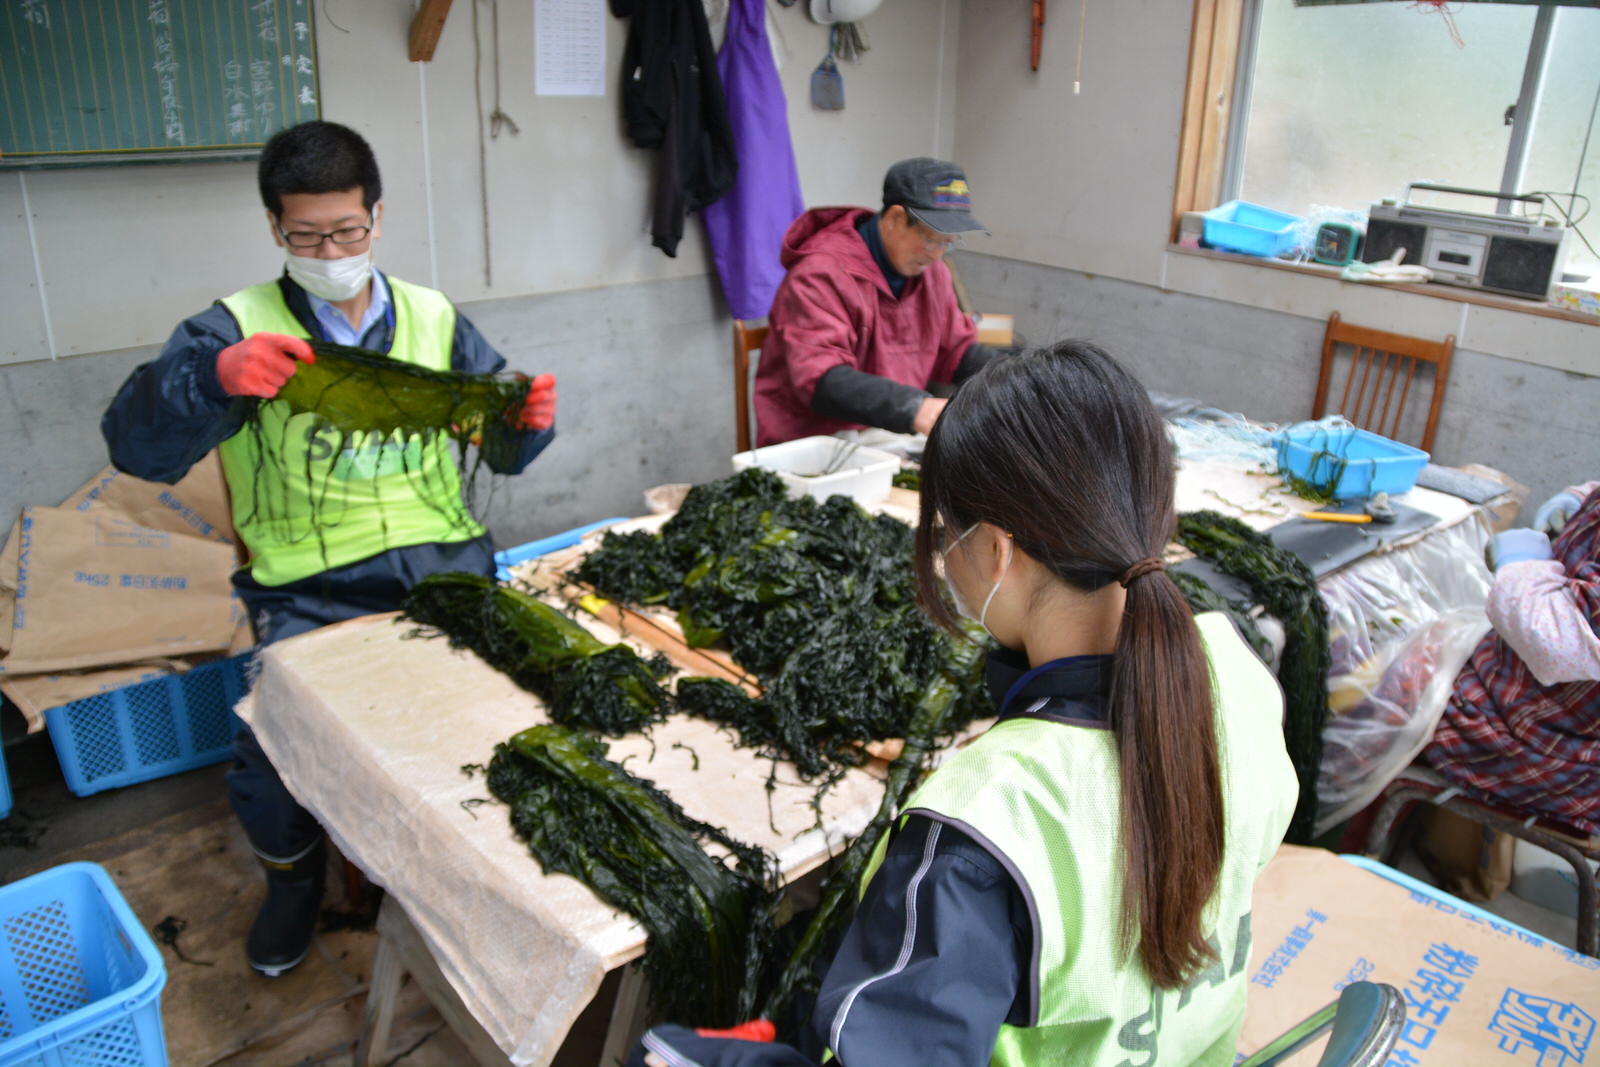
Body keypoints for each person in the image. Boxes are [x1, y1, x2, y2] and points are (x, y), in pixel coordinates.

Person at [630, 342, 1299, 1066]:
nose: (944, 556)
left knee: (658, 1051)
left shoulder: (983, 827)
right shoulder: (1238, 672)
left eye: (946, 533)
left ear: (997, 553)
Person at [101, 120, 557, 977]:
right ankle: (294, 885)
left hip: (445, 568)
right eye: (306, 234)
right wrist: (210, 379)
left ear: (377, 217)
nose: (330, 249)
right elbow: (137, 448)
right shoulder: (233, 330)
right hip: (310, 588)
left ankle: (487, 889)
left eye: (347, 230)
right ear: (276, 228)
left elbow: (495, 442)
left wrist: (527, 425)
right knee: (275, 750)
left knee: (519, 714)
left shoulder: (431, 315)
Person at [752, 157, 1001, 447]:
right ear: (895, 219)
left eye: (949, 242)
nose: (937, 254)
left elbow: (956, 351)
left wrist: (1016, 378)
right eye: (932, 239)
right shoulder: (821, 274)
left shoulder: (933, 274)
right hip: (817, 439)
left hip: (890, 432)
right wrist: (915, 407)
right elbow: (820, 379)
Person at [1423, 481, 1600, 836]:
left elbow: (1554, 645)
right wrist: (1582, 498)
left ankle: (1334, 842)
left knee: (1385, 696)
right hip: (1516, 685)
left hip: (1548, 748)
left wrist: (1522, 563)